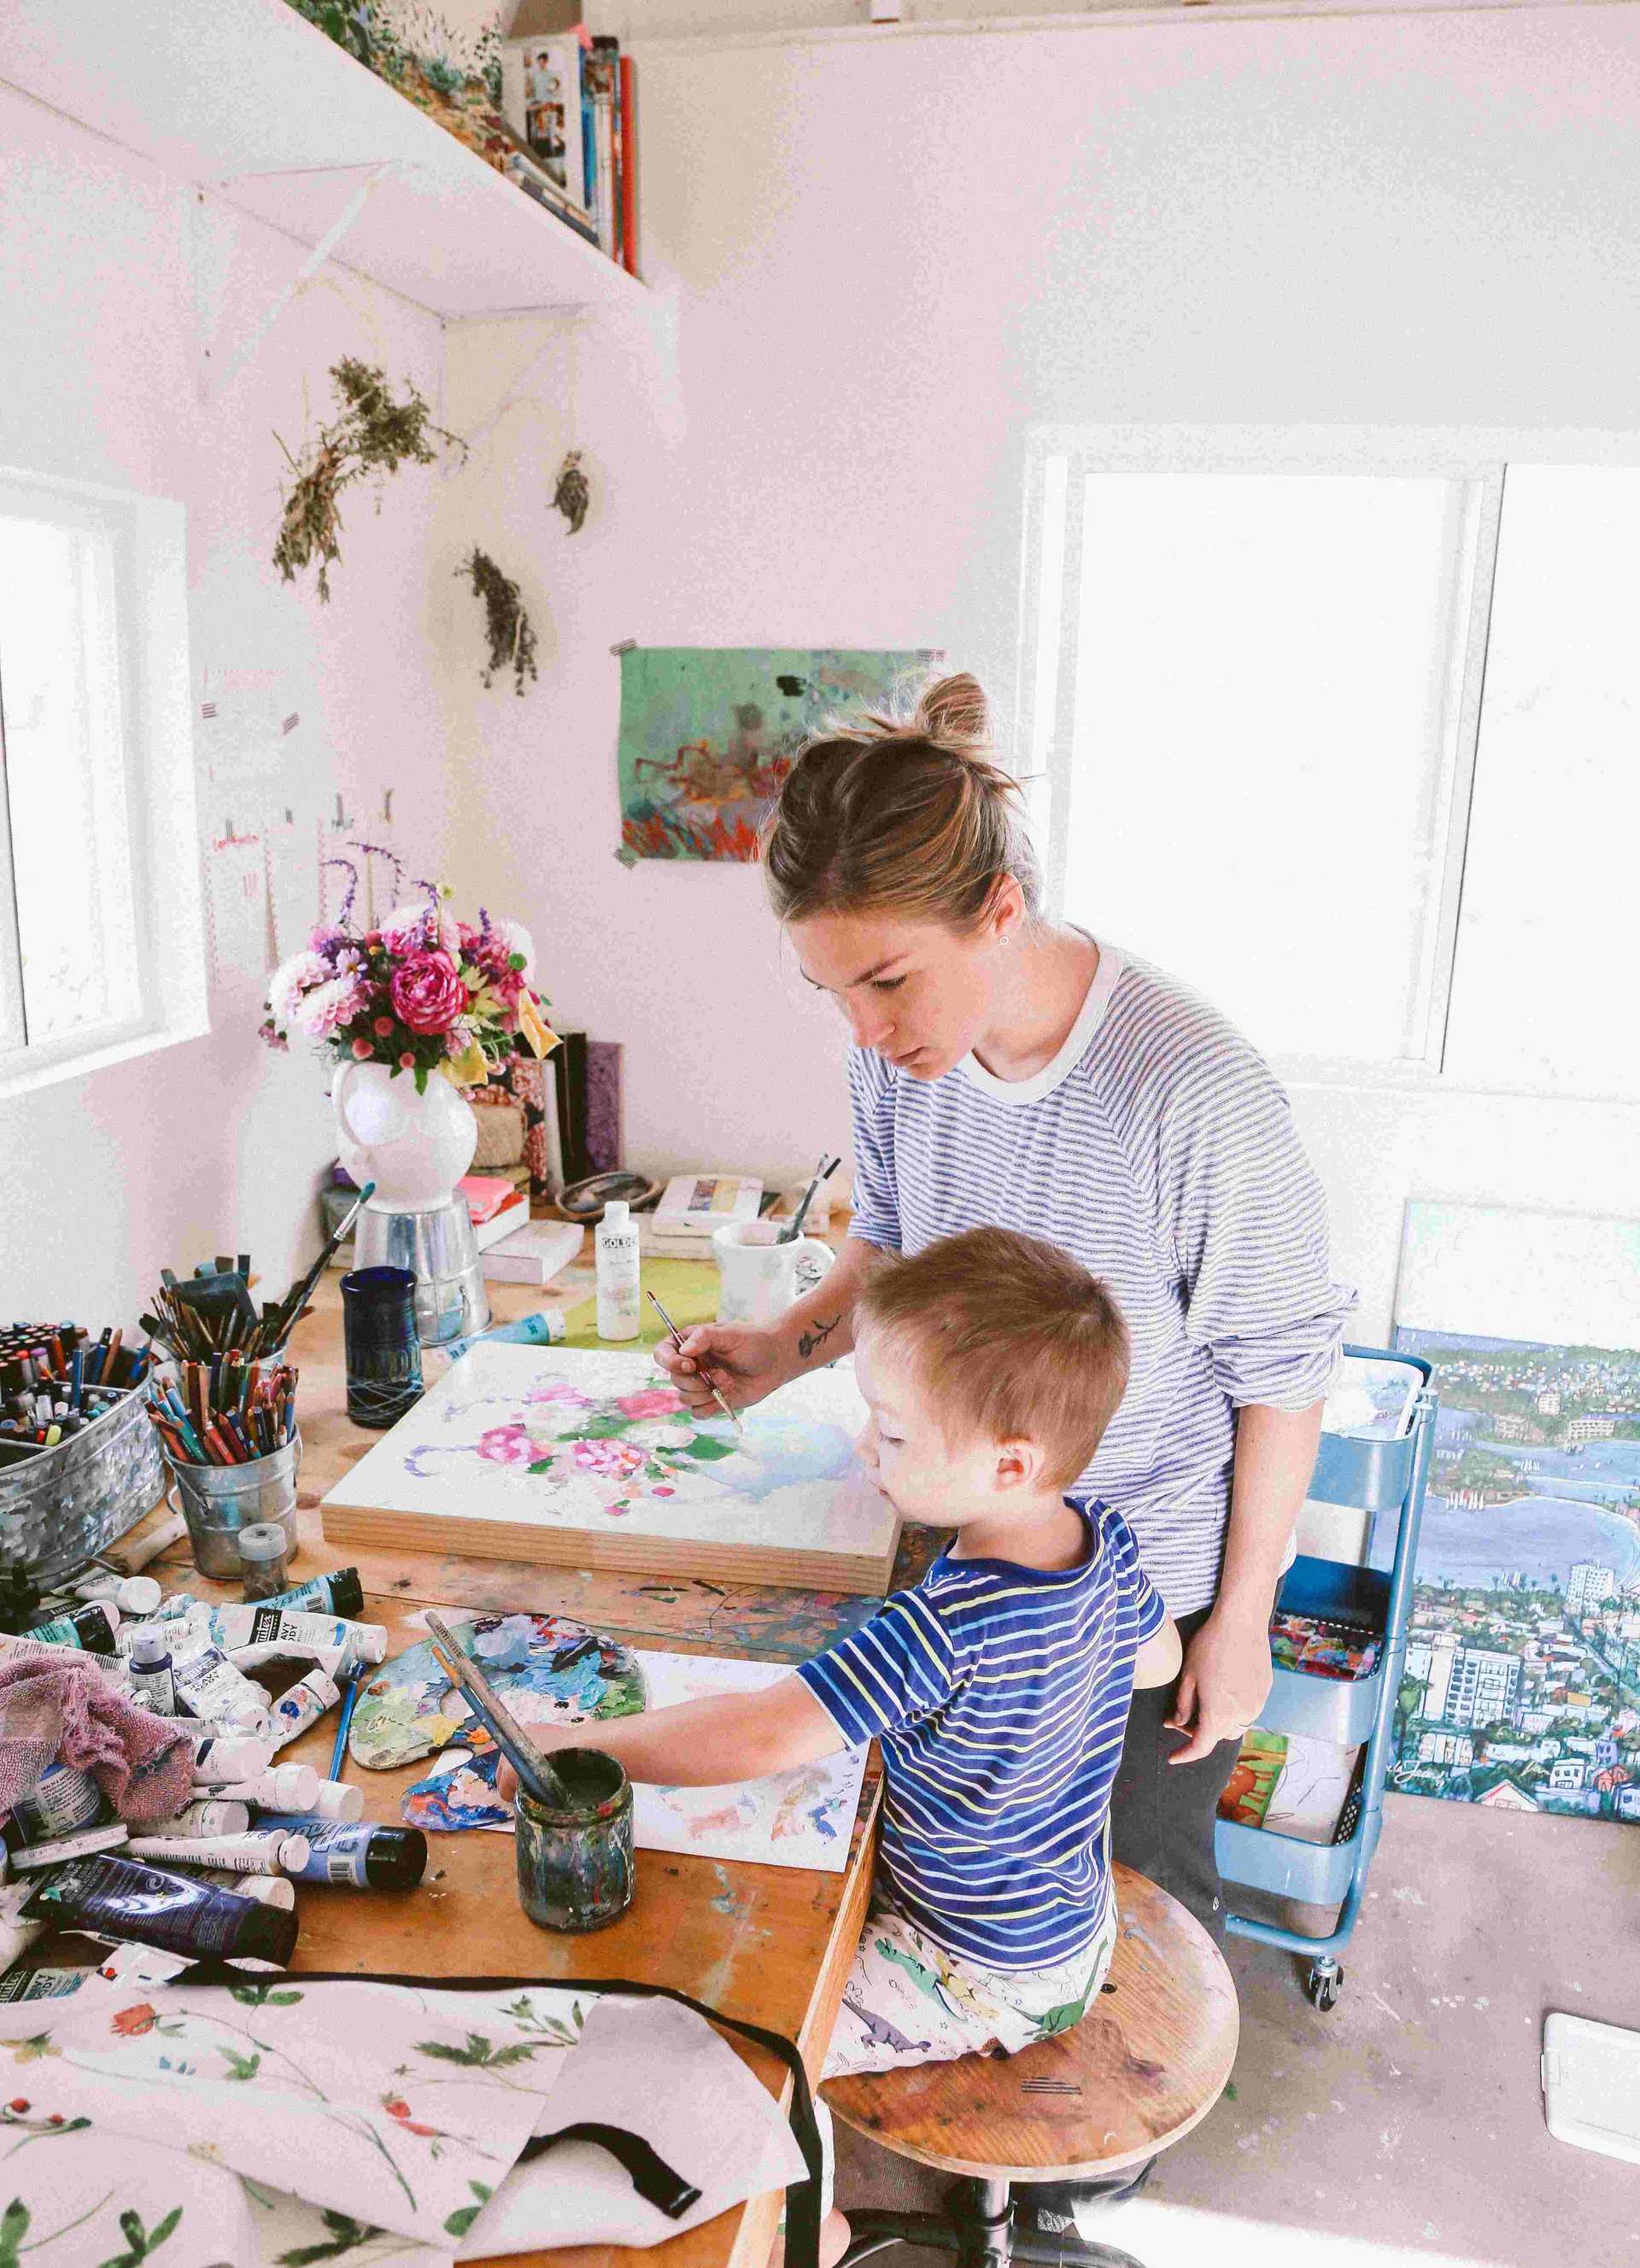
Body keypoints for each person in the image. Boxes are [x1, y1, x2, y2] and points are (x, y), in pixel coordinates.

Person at [657, 670, 1355, 1940]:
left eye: (887, 982)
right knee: (963, 1887)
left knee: (1136, 1919)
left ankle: (1105, 2155)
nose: (866, 1031)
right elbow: (891, 1248)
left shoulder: (1191, 1091)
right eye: (833, 995)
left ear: (1000, 909)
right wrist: (782, 1348)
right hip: (963, 1551)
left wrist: (1244, 1620)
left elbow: (1283, 1376)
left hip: (1136, 1599)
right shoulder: (904, 1067)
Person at [502, 1228, 1180, 2268]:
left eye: (896, 1436)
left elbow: (760, 1732)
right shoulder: (1106, 1544)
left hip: (973, 1966)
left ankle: (811, 2222)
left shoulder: (944, 1627)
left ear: (1008, 1463)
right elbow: (1155, 1653)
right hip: (1066, 1923)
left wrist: (577, 1742)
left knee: (759, 2048)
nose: (869, 1448)